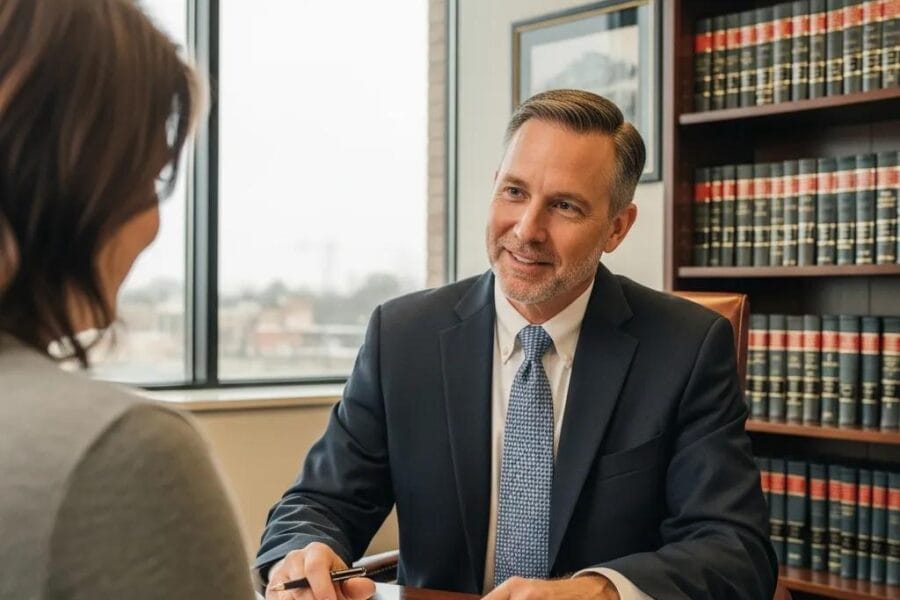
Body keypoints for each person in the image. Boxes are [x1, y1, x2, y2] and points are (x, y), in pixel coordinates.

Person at [256, 90, 777, 600]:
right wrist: (304, 552)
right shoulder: (402, 336)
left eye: (565, 206)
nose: (527, 229)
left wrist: (599, 592)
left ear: (617, 227)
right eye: (514, 192)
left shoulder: (685, 347)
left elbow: (733, 548)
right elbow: (319, 501)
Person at [0, 1, 255, 598]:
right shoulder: (122, 452)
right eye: (149, 176)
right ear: (83, 178)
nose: (153, 225)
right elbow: (319, 502)